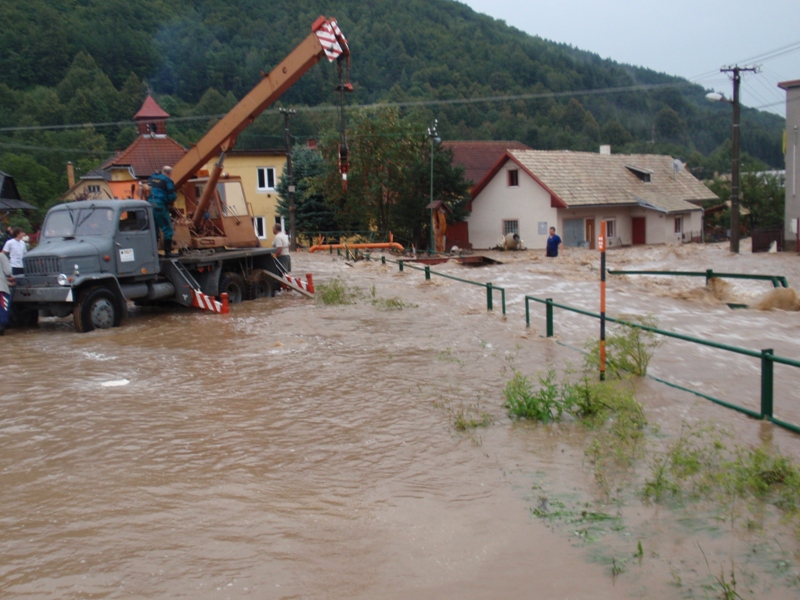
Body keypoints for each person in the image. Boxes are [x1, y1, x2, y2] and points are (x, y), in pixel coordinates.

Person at [148, 165, 177, 257]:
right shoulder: (168, 180)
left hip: (150, 205)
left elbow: (152, 176)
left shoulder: (154, 177)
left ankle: (154, 253)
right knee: (168, 229)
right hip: (160, 205)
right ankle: (168, 252)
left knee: (154, 229)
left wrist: (157, 172)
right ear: (169, 173)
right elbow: (172, 196)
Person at [0, 251, 15, 336]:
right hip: (1, 289)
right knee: (2, 312)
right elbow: (8, 271)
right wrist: (10, 278)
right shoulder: (1, 256)